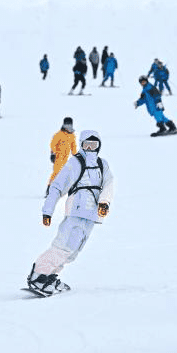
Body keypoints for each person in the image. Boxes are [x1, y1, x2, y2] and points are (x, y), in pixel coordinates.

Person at [27, 130, 114, 295]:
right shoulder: (75, 163)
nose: (90, 149)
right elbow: (58, 186)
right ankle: (38, 275)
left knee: (74, 251)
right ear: (81, 145)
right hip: (76, 210)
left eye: (93, 145)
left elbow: (109, 184)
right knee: (64, 246)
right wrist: (48, 211)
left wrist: (104, 202)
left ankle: (50, 277)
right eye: (86, 145)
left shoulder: (103, 164)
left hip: (92, 214)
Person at [47, 116, 78, 195]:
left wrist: (75, 155)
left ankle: (62, 189)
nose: (68, 127)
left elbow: (73, 146)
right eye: (67, 125)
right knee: (57, 172)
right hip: (58, 157)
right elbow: (53, 144)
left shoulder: (72, 135)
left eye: (70, 125)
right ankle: (49, 187)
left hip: (65, 157)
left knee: (66, 173)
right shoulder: (59, 134)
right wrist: (53, 153)